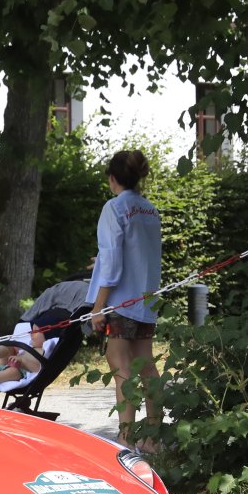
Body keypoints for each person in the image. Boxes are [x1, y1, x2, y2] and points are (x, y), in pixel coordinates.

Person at [86, 149, 163, 446]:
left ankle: (126, 440)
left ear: (112, 178)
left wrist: (97, 307)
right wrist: (102, 263)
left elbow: (112, 263)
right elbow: (138, 254)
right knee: (147, 367)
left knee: (121, 370)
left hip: (121, 303)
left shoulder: (114, 208)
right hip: (147, 298)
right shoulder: (150, 209)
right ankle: (154, 439)